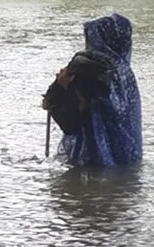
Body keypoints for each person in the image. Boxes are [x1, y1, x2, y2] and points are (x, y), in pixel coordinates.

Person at [43, 13, 142, 167]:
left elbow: (69, 122)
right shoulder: (125, 72)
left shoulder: (89, 69)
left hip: (90, 157)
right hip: (126, 153)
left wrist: (61, 85)